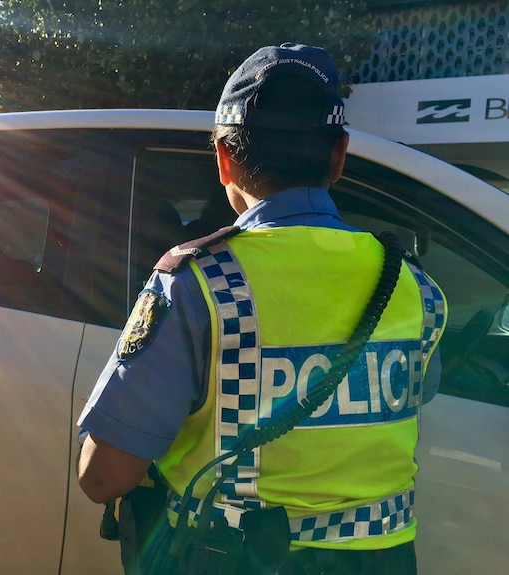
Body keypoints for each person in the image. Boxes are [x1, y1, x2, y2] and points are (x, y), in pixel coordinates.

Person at [76, 43, 446, 575]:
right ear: (339, 155)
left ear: (225, 159)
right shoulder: (415, 286)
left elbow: (104, 477)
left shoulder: (199, 283)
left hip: (234, 559)